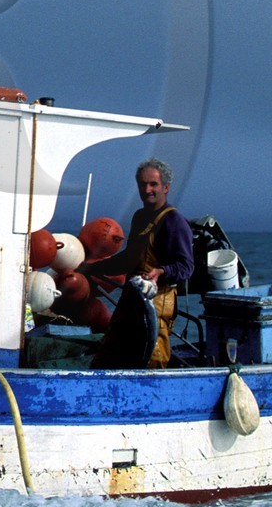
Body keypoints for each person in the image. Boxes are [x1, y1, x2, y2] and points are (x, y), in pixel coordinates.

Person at [79, 158, 194, 368]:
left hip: (156, 301)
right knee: (110, 354)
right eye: (142, 184)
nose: (147, 189)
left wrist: (161, 271)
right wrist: (91, 268)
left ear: (166, 187)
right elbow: (129, 259)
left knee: (151, 359)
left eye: (153, 184)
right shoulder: (139, 217)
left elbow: (186, 267)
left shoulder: (174, 221)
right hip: (132, 296)